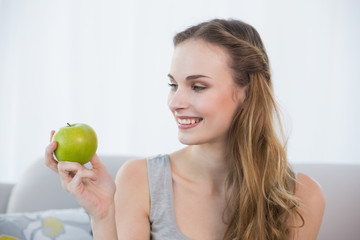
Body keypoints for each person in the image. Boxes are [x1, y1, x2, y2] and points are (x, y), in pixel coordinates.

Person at [45, 18, 325, 240]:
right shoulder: (139, 180)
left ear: (247, 92)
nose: (175, 102)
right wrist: (103, 214)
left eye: (198, 86)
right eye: (173, 85)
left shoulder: (300, 196)